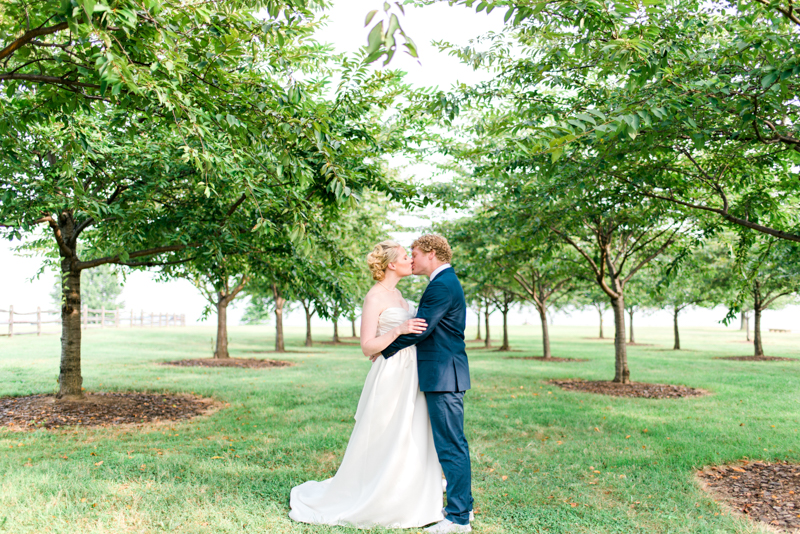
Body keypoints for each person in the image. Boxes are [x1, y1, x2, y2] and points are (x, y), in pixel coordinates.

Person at [288, 240, 445, 529]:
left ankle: (409, 495)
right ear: (391, 264)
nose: (412, 260)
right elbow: (367, 346)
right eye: (404, 256)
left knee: (411, 432)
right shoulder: (375, 297)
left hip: (413, 372)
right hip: (391, 373)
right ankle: (378, 494)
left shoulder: (399, 294)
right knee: (386, 432)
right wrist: (398, 329)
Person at [377, 234, 474, 534]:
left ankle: (459, 517)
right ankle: (460, 508)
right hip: (443, 374)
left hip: (444, 375)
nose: (412, 259)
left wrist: (383, 350)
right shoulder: (444, 282)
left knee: (450, 444)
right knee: (448, 443)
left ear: (431, 254)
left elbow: (421, 329)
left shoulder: (441, 285)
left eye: (416, 253)